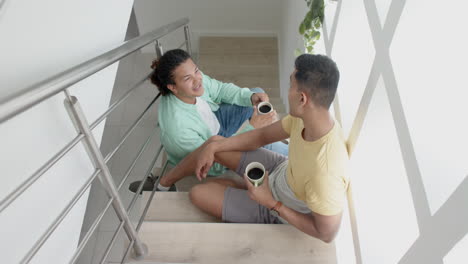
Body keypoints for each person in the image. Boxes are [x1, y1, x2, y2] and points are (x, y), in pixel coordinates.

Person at [158, 54, 349, 243]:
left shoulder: (325, 173)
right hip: (281, 169)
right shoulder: (305, 118)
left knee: (197, 194)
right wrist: (214, 146)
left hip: (277, 205)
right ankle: (240, 186)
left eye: (290, 85)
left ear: (302, 99)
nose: (287, 90)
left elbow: (326, 234)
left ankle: (247, 189)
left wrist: (271, 203)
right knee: (215, 142)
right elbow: (261, 136)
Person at [129, 49, 288, 193]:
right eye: (187, 78)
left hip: (217, 120)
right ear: (173, 88)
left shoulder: (193, 79)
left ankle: (266, 134)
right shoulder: (178, 129)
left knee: (257, 95)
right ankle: (271, 141)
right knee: (276, 151)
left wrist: (250, 97)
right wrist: (252, 129)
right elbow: (214, 164)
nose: (198, 80)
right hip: (209, 146)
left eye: (196, 71)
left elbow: (219, 90)